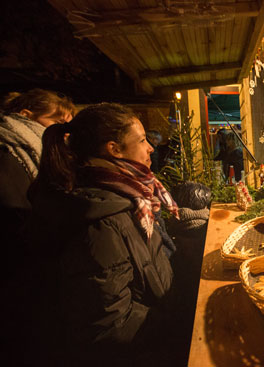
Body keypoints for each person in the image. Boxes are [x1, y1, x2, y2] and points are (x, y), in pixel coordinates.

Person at [26, 103, 183, 366]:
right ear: (114, 149)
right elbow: (111, 325)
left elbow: (147, 262)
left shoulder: (129, 196)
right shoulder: (100, 221)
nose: (151, 148)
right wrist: (183, 323)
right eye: (142, 140)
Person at [0, 89, 75, 269]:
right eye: (58, 123)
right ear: (25, 116)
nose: (65, 133)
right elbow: (14, 214)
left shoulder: (40, 155)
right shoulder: (6, 154)